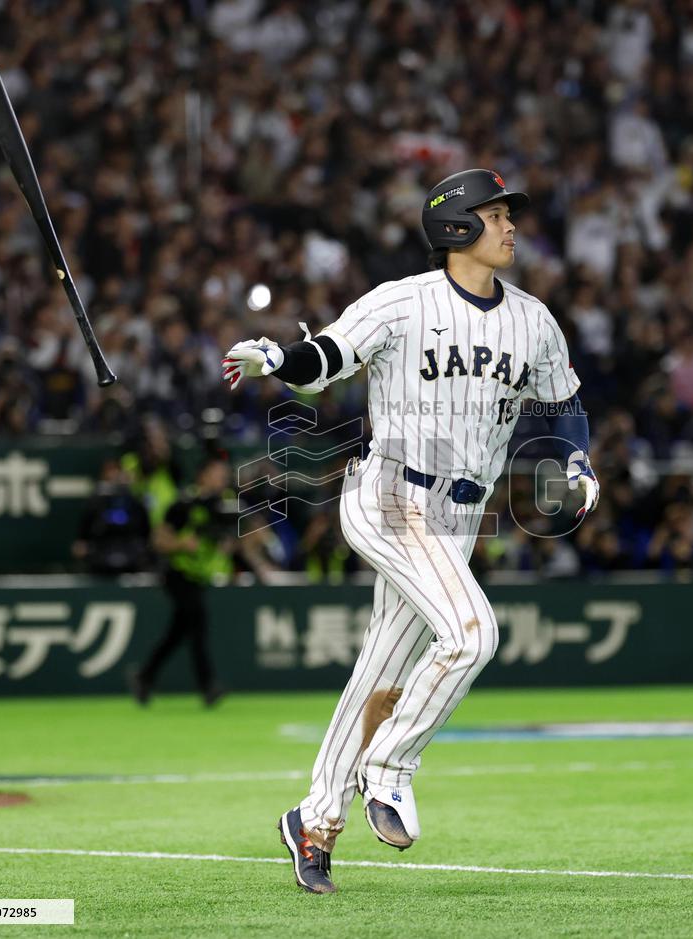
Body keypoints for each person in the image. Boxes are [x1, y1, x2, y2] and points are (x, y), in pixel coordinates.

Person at [222, 169, 600, 894]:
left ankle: (314, 817)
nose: (511, 226)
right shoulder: (402, 302)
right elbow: (326, 358)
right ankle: (389, 767)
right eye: (495, 215)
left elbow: (565, 402)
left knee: (382, 674)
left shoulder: (534, 320)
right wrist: (275, 358)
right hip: (389, 493)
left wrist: (577, 459)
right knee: (473, 633)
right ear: (456, 225)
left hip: (459, 518)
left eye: (509, 215)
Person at [128, 453, 236, 707]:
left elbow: (233, 538)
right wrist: (180, 543)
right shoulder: (184, 504)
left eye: (225, 474)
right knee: (196, 624)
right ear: (203, 475)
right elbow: (157, 540)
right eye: (218, 473)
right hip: (177, 573)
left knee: (179, 631)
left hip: (199, 576)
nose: (223, 478)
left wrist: (227, 546)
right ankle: (208, 686)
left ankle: (145, 676)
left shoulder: (222, 506)